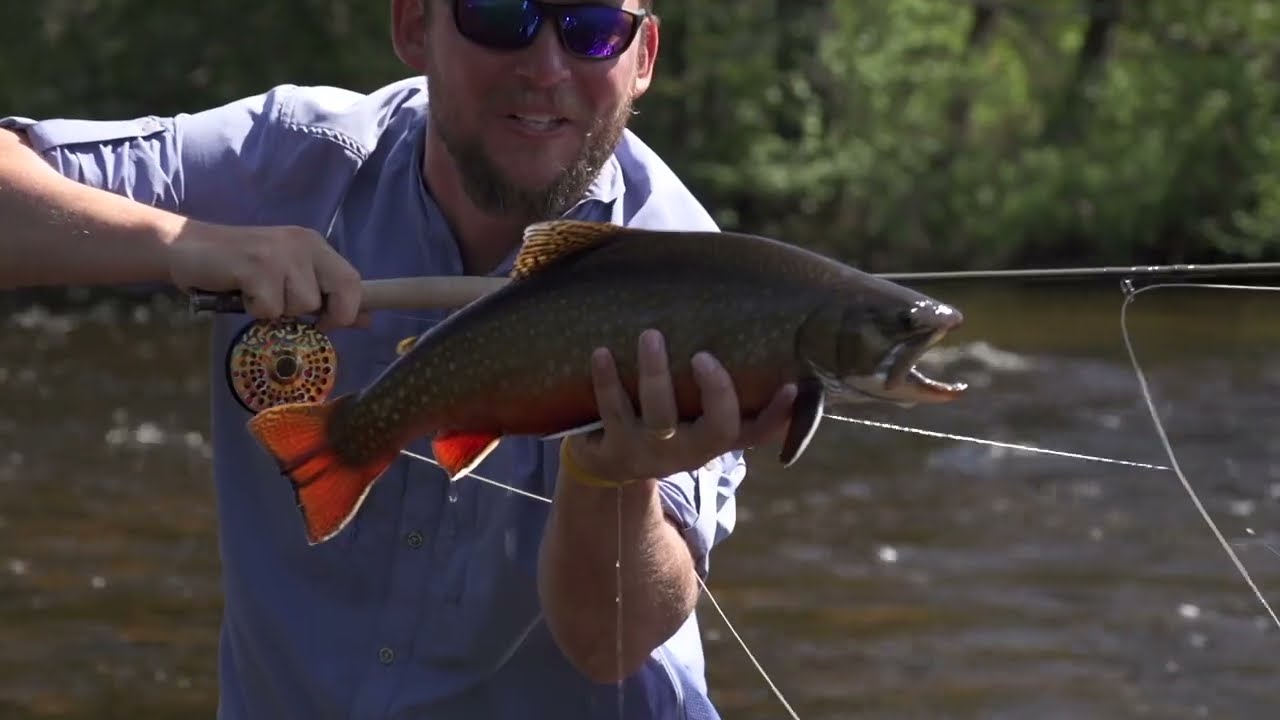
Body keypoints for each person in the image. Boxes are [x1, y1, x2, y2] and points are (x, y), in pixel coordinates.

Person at [0, 1, 797, 718]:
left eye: (592, 29)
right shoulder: (291, 160)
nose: (547, 67)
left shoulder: (697, 275)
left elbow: (606, 647)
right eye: (499, 14)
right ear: (414, 24)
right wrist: (186, 241)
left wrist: (611, 480)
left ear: (644, 57)